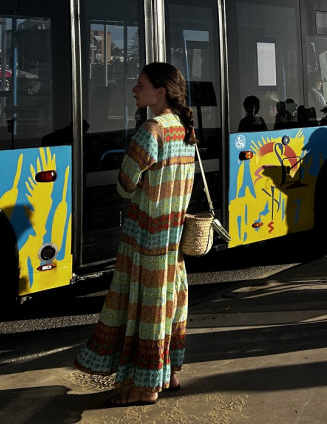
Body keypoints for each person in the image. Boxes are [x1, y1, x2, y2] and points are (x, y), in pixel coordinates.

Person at [75, 62, 196, 406]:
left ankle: (144, 387)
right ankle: (168, 373)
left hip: (146, 236)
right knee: (169, 305)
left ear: (160, 91)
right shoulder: (184, 127)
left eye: (140, 85)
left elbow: (126, 184)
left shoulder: (152, 129)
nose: (133, 89)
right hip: (173, 236)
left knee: (146, 311)